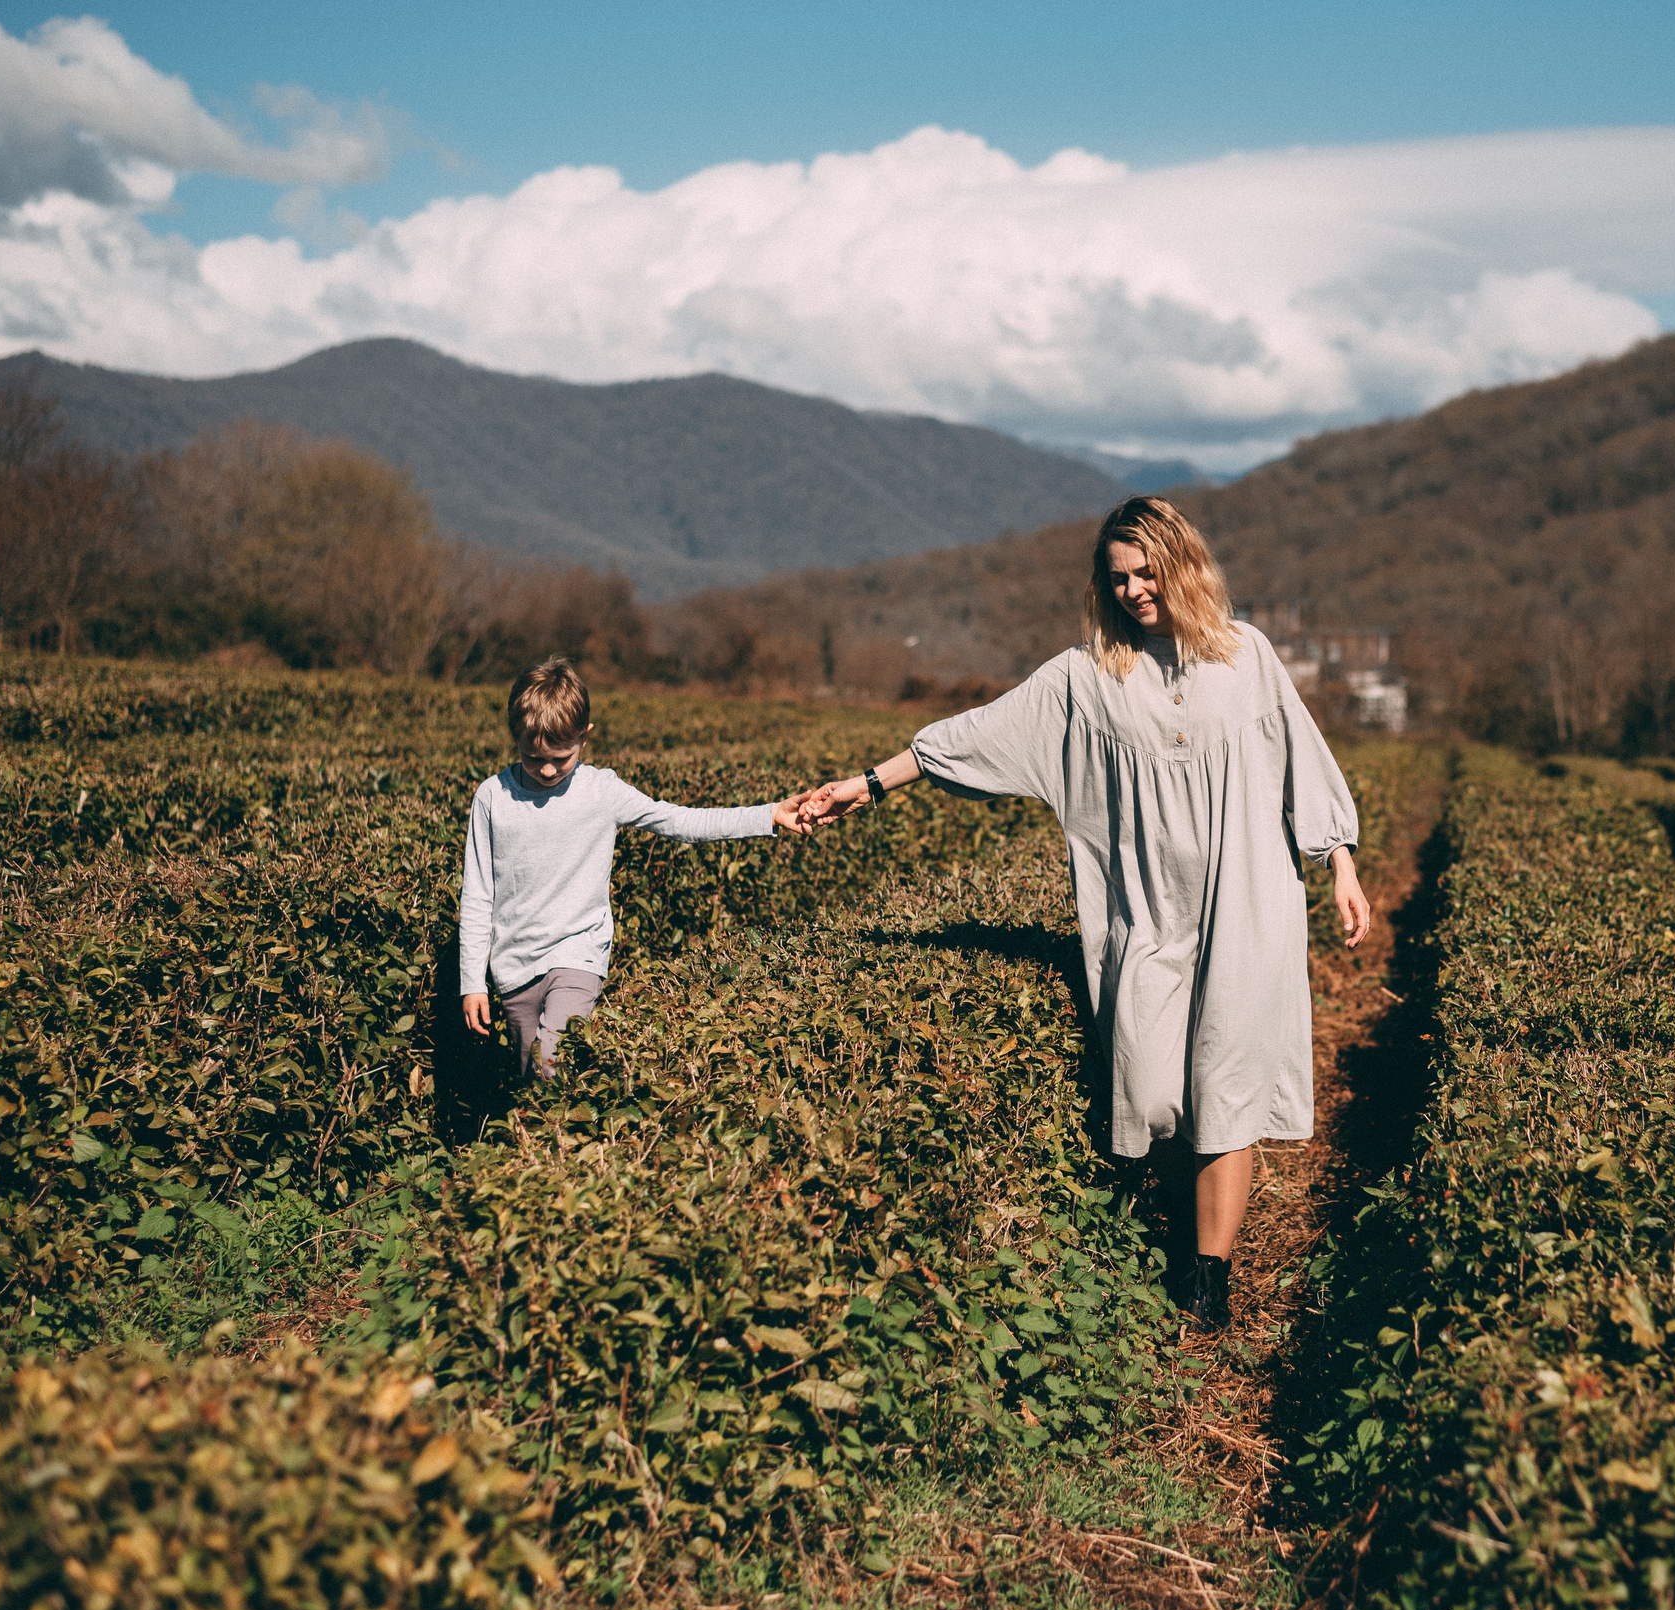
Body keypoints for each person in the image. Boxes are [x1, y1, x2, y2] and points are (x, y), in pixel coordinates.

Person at [798, 496, 1370, 1331]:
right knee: (1154, 1087)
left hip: (1248, 904)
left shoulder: (1249, 657)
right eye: (1119, 578)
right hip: (1147, 913)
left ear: (1182, 564)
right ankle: (1188, 1241)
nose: (1136, 590)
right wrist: (870, 782)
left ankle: (1210, 1277)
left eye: (1147, 571)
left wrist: (1341, 865)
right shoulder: (1088, 679)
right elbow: (979, 732)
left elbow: (1301, 760)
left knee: (1228, 1086)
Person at [460, 656, 810, 1075]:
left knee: (550, 1060)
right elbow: (478, 896)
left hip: (578, 951)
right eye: (534, 758)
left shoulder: (601, 791)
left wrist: (768, 815)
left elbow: (681, 820)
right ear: (514, 737)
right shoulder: (492, 797)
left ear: (585, 737)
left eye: (561, 756)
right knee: (531, 1078)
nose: (548, 770)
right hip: (514, 966)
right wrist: (472, 983)